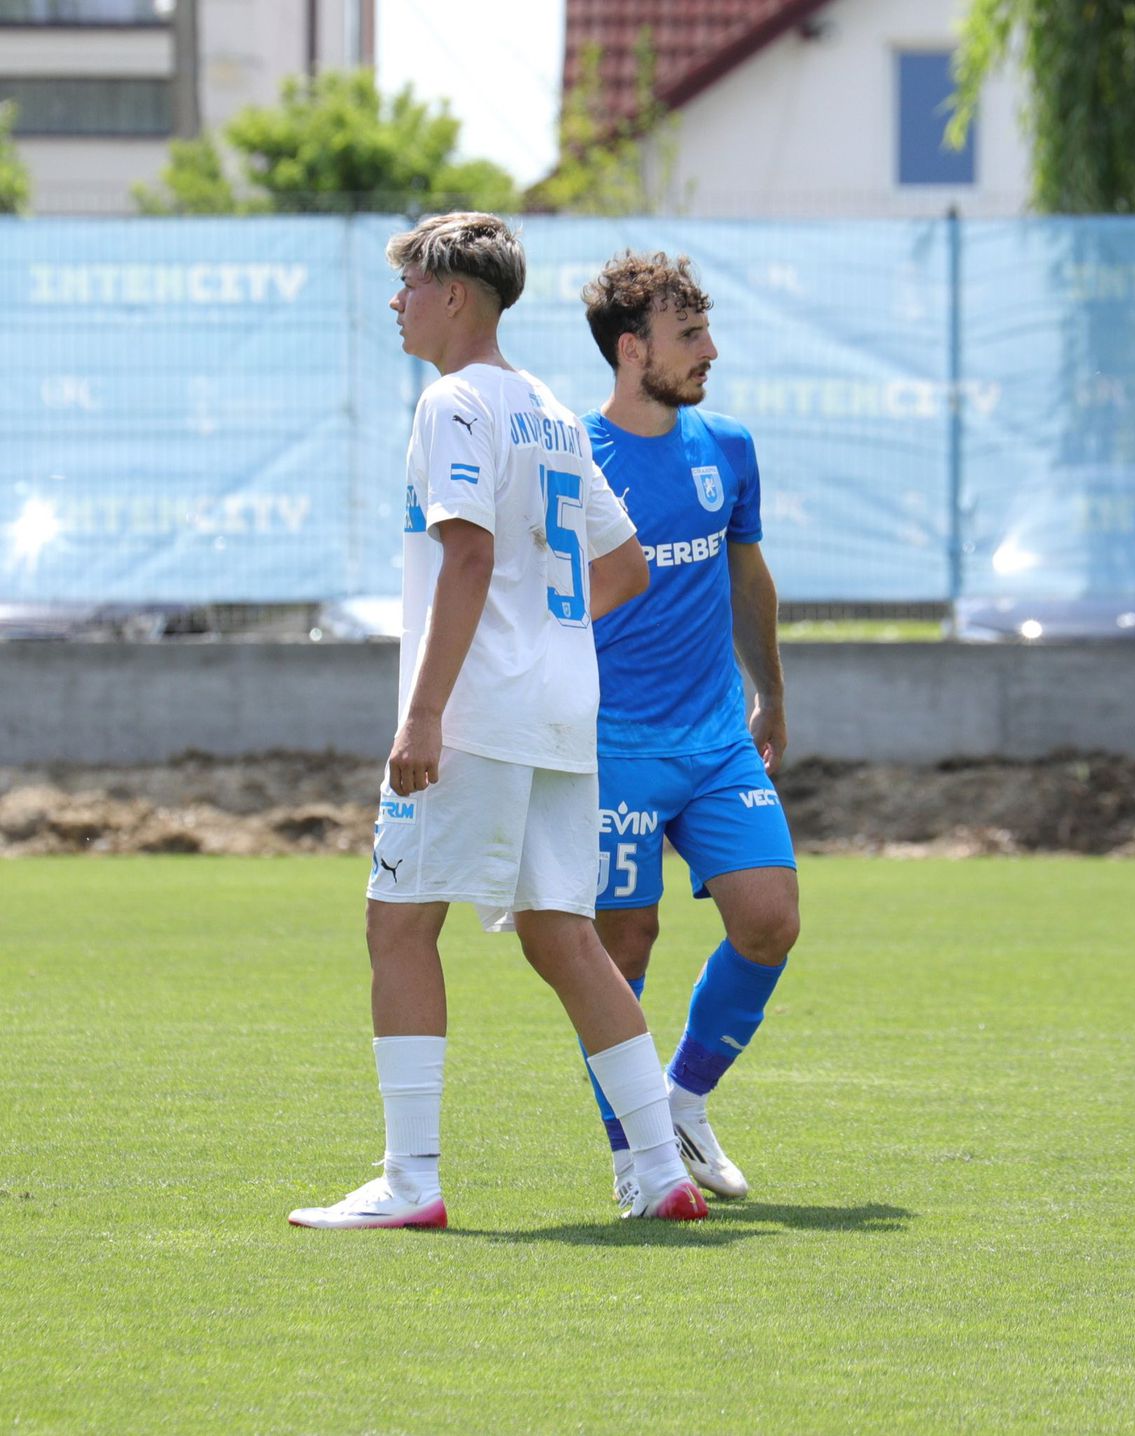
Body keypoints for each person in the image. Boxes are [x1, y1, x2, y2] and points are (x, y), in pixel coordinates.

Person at [289, 215, 707, 1230]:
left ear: (457, 296)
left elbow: (469, 556)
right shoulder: (555, 412)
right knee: (565, 937)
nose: (396, 302)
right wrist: (544, 637)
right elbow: (624, 568)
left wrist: (425, 710)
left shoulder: (454, 402)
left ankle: (411, 1179)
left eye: (409, 285)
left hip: (478, 714)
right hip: (563, 712)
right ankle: (661, 1170)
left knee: (398, 923)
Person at [577, 251, 800, 1209]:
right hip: (609, 748)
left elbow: (747, 577)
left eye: (705, 330)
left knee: (770, 921)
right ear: (633, 352)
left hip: (716, 741)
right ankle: (637, 1163)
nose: (711, 350)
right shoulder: (573, 455)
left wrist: (772, 696)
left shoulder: (729, 445)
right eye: (689, 336)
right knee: (621, 949)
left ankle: (682, 1102)